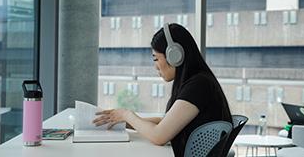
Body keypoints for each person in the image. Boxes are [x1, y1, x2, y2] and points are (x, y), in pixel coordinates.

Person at [93, 23, 232, 156]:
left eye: (155, 59)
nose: (155, 66)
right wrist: (124, 121)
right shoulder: (197, 80)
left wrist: (127, 114)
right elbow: (166, 122)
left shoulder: (199, 85)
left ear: (174, 56)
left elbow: (159, 136)